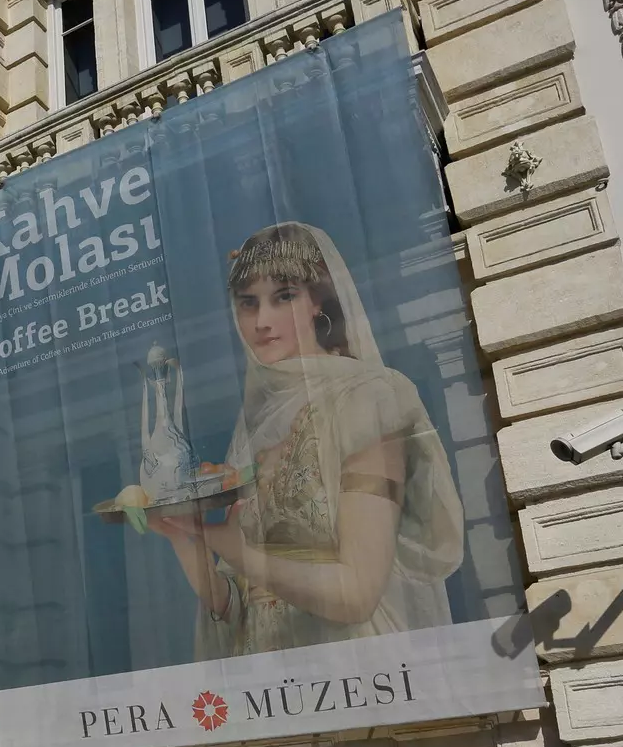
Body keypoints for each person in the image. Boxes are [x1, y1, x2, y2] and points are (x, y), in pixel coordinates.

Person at [145, 222, 464, 656]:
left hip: (354, 667)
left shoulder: (369, 397)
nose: (261, 322)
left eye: (284, 296)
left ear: (317, 300)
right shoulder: (256, 422)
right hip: (267, 673)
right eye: (247, 303)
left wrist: (224, 543)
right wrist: (184, 534)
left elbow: (357, 594)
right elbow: (233, 605)